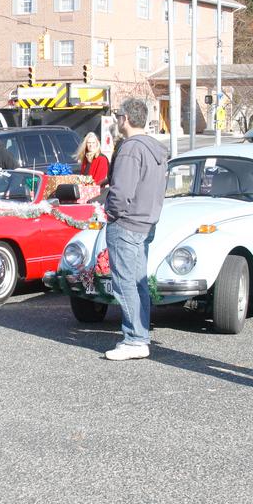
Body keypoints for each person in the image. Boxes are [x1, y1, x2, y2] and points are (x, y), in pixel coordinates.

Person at [103, 98, 168, 361]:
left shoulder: (131, 148)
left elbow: (121, 192)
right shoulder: (156, 148)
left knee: (125, 283)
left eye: (118, 116)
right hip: (146, 222)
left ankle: (135, 339)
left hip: (126, 223)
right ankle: (140, 335)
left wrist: (109, 211)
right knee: (139, 283)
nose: (117, 120)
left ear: (125, 119)